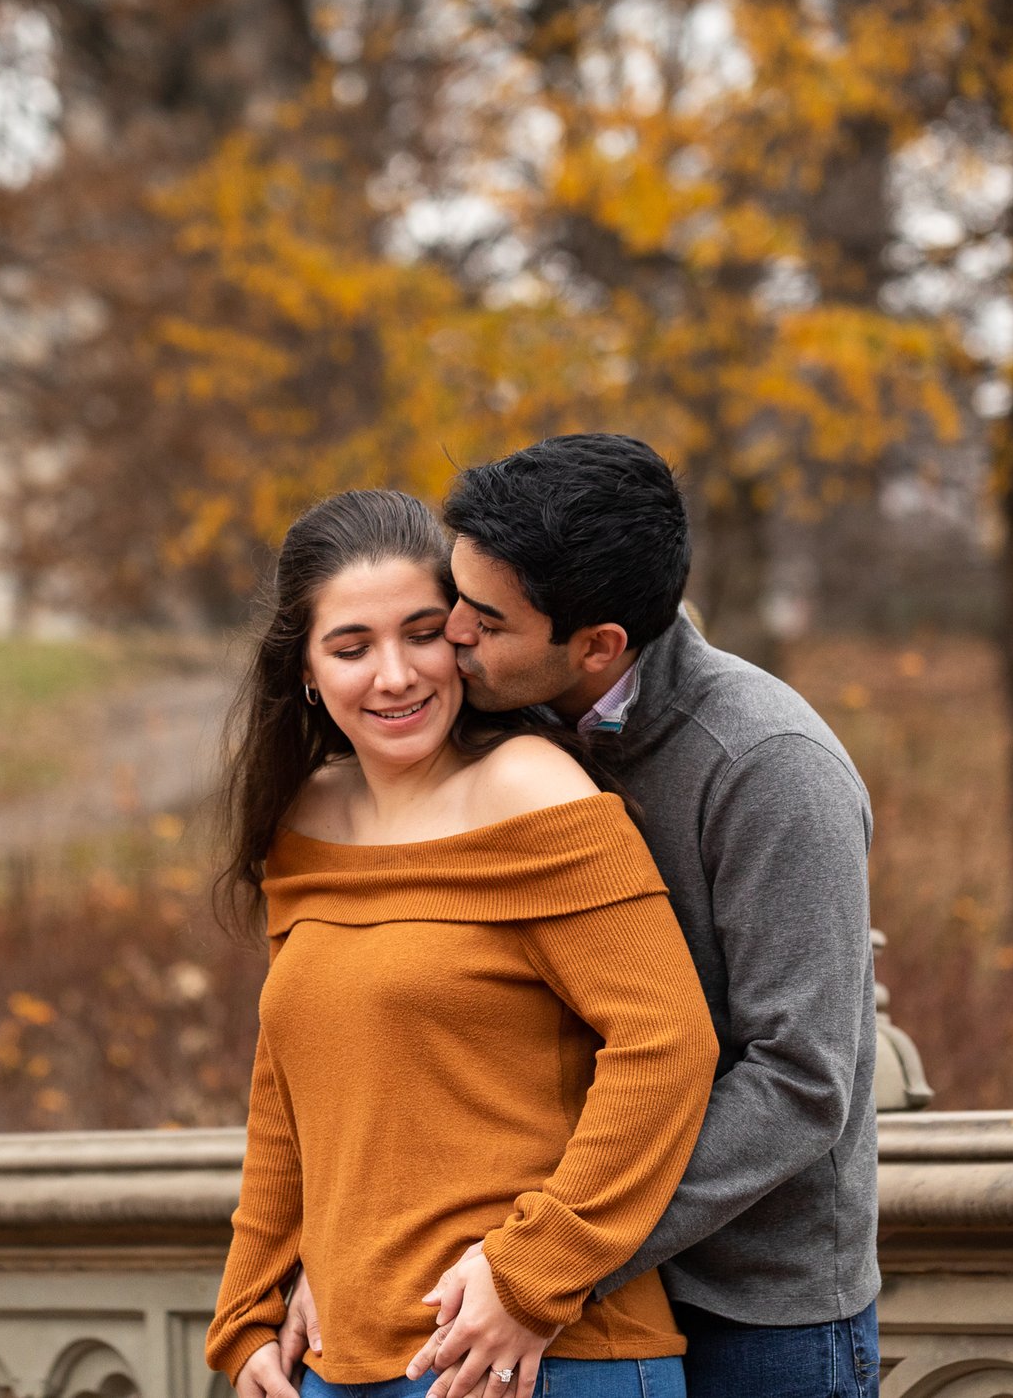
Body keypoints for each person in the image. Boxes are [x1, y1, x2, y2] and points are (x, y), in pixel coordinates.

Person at [348, 432, 881, 1398]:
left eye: (487, 621)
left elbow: (802, 1079)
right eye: (455, 598)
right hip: (567, 1294)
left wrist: (560, 1255)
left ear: (598, 645)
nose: (451, 636)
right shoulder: (500, 718)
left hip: (755, 1315)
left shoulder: (771, 768)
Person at [204, 489, 720, 1398]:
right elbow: (290, 1082)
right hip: (340, 1364)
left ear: (466, 638)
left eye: (424, 632)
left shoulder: (531, 787)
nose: (395, 675)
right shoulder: (305, 819)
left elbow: (668, 1043)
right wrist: (249, 1301)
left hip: (533, 1358)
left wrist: (534, 1277)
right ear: (307, 673)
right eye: (353, 647)